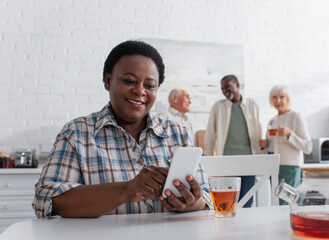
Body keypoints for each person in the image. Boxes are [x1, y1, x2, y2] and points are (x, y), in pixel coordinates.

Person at [32, 40, 208, 218]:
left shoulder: (178, 134)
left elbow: (206, 199)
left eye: (149, 85)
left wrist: (191, 202)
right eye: (130, 81)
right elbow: (47, 201)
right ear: (108, 81)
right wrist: (127, 190)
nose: (140, 91)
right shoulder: (77, 133)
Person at [204, 74, 264, 208]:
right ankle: (227, 228)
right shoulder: (218, 106)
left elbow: (259, 129)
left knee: (247, 202)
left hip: (248, 161)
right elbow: (209, 134)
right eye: (222, 89)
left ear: (237, 85)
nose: (225, 91)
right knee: (226, 202)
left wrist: (263, 152)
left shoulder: (252, 104)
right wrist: (208, 160)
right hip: (226, 162)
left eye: (227, 87)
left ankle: (244, 228)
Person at [259, 84, 312, 205]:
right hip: (273, 166)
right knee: (277, 202)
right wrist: (264, 145)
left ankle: (289, 224)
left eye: (281, 97)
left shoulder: (295, 117)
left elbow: (308, 147)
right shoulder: (272, 121)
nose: (278, 100)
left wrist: (290, 135)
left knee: (288, 202)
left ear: (288, 99)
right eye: (274, 97)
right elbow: (273, 146)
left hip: (289, 167)